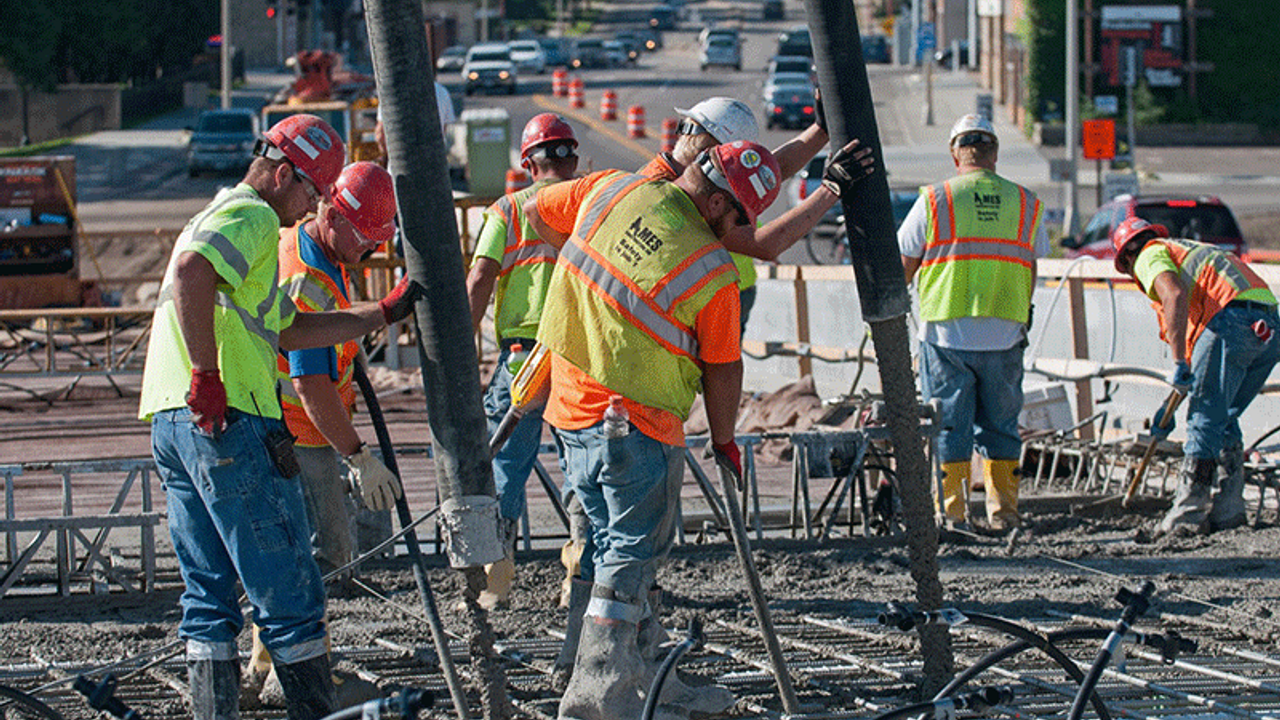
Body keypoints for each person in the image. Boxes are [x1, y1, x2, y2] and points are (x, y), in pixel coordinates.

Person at [138, 114, 419, 720]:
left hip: (173, 420)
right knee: (289, 586)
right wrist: (208, 377)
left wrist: (378, 315)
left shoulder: (215, 216)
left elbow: (286, 329)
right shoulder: (255, 214)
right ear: (284, 173)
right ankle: (313, 710)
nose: (311, 206)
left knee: (210, 594)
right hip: (228, 417)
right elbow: (191, 274)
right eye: (312, 192)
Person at [524, 141, 791, 720]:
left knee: (609, 544)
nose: (738, 229)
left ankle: (645, 673)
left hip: (570, 411)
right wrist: (724, 439)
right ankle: (600, 689)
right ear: (717, 200)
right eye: (738, 216)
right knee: (630, 551)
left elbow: (533, 211)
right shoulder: (711, 270)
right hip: (636, 424)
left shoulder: (610, 188)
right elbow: (723, 368)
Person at [897, 113, 1047, 532]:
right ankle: (1005, 515)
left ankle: (954, 515)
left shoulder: (935, 199)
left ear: (954, 152)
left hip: (946, 331)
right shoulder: (1026, 203)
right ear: (994, 153)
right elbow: (1031, 266)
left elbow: (905, 265)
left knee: (948, 427)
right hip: (1005, 330)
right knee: (1001, 427)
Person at [465, 113, 580, 610]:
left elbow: (479, 281)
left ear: (529, 165)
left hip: (522, 360)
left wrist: (461, 359)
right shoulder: (589, 207)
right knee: (582, 465)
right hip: (579, 358)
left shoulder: (508, 210)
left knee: (505, 467)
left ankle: (497, 580)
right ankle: (581, 574)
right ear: (572, 158)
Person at [1111, 217, 1280, 535]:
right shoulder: (1191, 250)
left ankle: (1188, 513)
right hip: (1268, 330)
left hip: (1230, 321)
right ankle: (1229, 509)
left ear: (1127, 258)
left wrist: (1177, 364)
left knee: (1204, 418)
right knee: (1223, 415)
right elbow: (1197, 337)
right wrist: (1173, 399)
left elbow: (1173, 295)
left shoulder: (1149, 254)